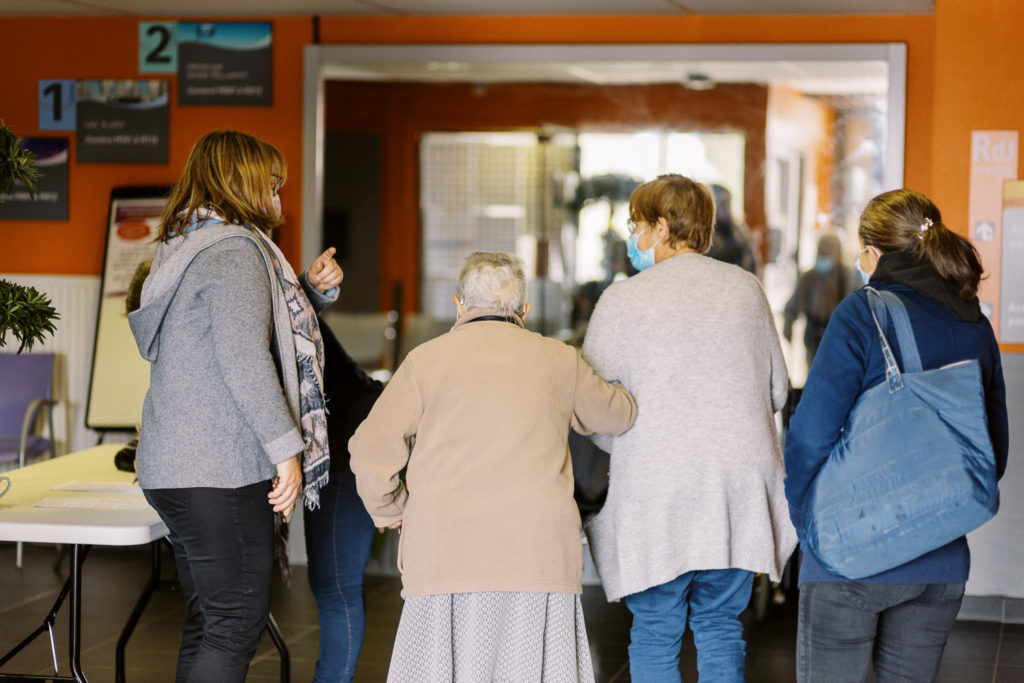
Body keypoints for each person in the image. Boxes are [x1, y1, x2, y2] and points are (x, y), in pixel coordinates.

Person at [349, 251, 637, 683]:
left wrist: (393, 509)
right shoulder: (558, 359)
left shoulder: (425, 361)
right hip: (537, 557)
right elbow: (619, 416)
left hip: (445, 554)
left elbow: (370, 451)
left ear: (459, 305)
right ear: (524, 310)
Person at [129, 130, 343, 682]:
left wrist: (308, 294)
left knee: (210, 622)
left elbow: (238, 331)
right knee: (233, 624)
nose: (278, 199)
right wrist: (287, 451)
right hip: (217, 467)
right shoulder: (235, 250)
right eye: (272, 185)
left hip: (177, 464)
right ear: (242, 183)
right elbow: (244, 357)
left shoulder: (188, 245)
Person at [783, 189, 1009, 682]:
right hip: (940, 561)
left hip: (848, 554)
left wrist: (807, 524)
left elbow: (809, 437)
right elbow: (993, 451)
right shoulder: (974, 323)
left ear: (873, 252)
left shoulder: (860, 313)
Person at [580, 174, 796, 682]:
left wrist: (628, 441)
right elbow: (778, 393)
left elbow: (592, 404)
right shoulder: (746, 289)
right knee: (721, 624)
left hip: (659, 490)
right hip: (736, 491)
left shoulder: (623, 300)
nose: (632, 236)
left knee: (656, 628)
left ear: (659, 226)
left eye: (636, 224)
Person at [304, 316, 383, 683]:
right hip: (352, 440)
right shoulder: (288, 305)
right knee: (335, 585)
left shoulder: (268, 315)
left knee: (336, 587)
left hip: (348, 449)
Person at [783, 233, 856, 368]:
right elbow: (793, 305)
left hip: (837, 334)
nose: (824, 253)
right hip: (813, 333)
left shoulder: (846, 276)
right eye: (822, 249)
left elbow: (855, 308)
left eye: (828, 250)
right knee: (814, 374)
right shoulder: (809, 277)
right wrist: (788, 326)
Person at [705, 183, 757, 274]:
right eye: (722, 204)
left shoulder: (738, 229)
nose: (727, 209)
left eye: (728, 204)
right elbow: (714, 258)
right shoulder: (705, 233)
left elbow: (751, 262)